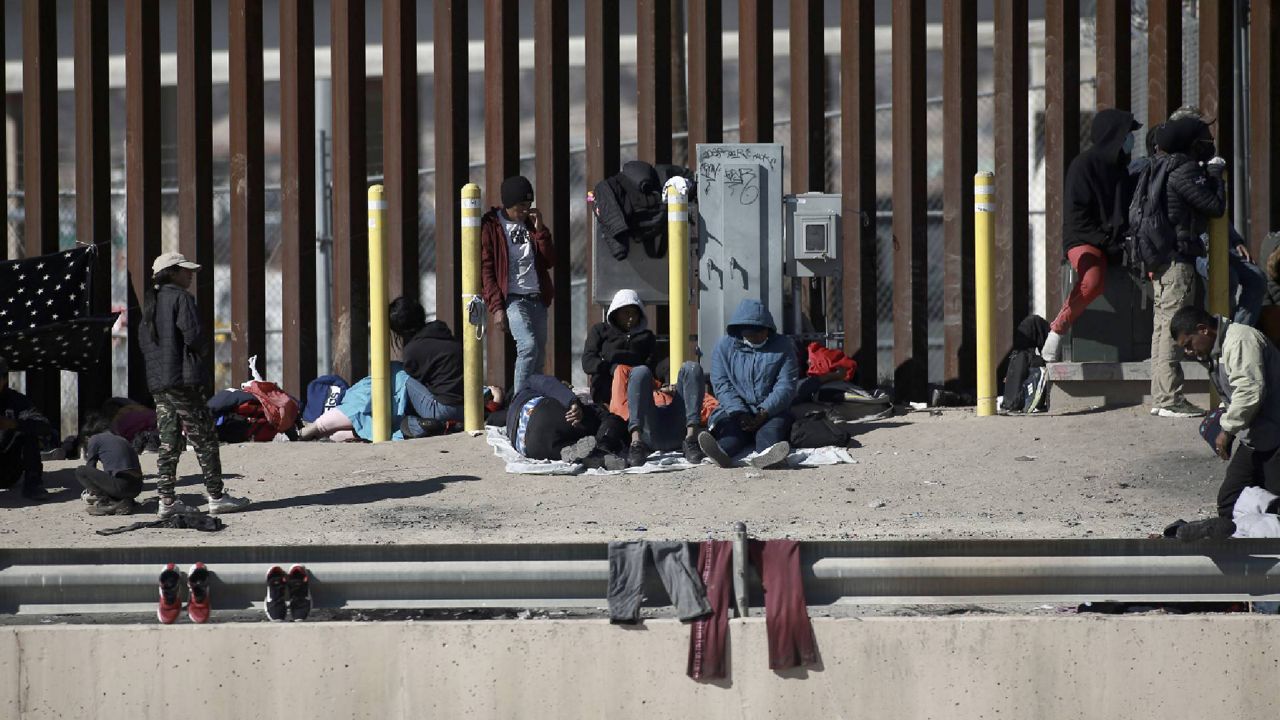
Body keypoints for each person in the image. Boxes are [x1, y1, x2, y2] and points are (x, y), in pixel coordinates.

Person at [139, 252, 251, 517]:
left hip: (160, 383)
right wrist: (199, 357)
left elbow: (147, 345)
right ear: (172, 273)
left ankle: (166, 500)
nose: (190, 275)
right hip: (183, 381)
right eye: (185, 271)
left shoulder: (151, 303)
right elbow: (194, 336)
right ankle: (217, 496)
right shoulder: (181, 298)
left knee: (169, 440)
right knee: (205, 437)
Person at [1042, 108, 1141, 362]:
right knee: (1093, 279)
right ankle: (1057, 330)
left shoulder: (1121, 170)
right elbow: (1078, 221)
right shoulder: (1083, 166)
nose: (1131, 140)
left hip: (1114, 242)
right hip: (1084, 239)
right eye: (1128, 134)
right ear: (1114, 136)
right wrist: (1108, 243)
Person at [1146, 117, 1227, 418]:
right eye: (1204, 137)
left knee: (1160, 328)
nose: (1208, 142)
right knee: (1171, 329)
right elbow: (1214, 207)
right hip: (1178, 259)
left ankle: (1161, 396)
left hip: (1161, 258)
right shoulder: (1184, 169)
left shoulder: (1159, 166)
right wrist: (1216, 175)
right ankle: (1169, 399)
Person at [1172, 306, 1280, 516]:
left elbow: (1249, 392)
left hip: (1275, 436)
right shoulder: (1218, 349)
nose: (1188, 352)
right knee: (1230, 501)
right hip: (1257, 438)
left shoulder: (1240, 341)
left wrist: (1227, 430)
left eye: (1188, 344)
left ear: (1203, 329)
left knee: (1274, 497)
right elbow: (1234, 391)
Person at [697, 299, 797, 469]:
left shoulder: (784, 346)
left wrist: (763, 412)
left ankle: (768, 456)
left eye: (761, 333)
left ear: (768, 329)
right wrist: (740, 413)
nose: (757, 337)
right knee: (732, 435)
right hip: (732, 411)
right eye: (751, 334)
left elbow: (786, 385)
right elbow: (722, 384)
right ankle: (721, 453)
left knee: (769, 433)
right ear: (740, 330)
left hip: (772, 411)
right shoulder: (723, 347)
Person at [481, 175, 555, 395]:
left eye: (528, 206)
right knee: (528, 346)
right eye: (520, 206)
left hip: (536, 296)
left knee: (539, 354)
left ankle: (536, 400)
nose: (525, 211)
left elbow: (550, 260)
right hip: (512, 297)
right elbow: (486, 269)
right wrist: (496, 308)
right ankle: (519, 403)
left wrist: (541, 231)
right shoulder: (492, 226)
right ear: (508, 204)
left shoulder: (532, 225)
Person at [504, 373, 628, 469]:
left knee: (574, 446)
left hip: (530, 448)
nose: (570, 387)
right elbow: (549, 383)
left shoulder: (510, 414)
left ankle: (586, 457)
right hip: (542, 414)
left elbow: (493, 418)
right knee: (607, 418)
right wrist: (572, 401)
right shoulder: (528, 384)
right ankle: (602, 447)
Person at [389, 296, 465, 438]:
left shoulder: (413, 350)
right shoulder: (442, 331)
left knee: (399, 374)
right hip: (467, 408)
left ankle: (422, 425)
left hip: (442, 409)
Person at [582, 289, 657, 405]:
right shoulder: (600, 330)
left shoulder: (647, 337)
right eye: (626, 313)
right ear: (616, 313)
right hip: (606, 391)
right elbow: (588, 361)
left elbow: (652, 364)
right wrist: (611, 368)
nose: (631, 318)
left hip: (636, 388)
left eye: (635, 313)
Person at [0, 357, 55, 501]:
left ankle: (33, 484)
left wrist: (14, 424)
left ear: (4, 379)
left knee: (28, 430)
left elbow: (45, 426)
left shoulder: (17, 401)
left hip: (7, 470)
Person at [76, 414, 144, 516]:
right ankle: (124, 501)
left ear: (87, 437)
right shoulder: (121, 439)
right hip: (136, 489)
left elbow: (90, 467)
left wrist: (92, 492)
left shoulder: (94, 439)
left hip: (121, 487)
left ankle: (108, 503)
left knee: (81, 471)